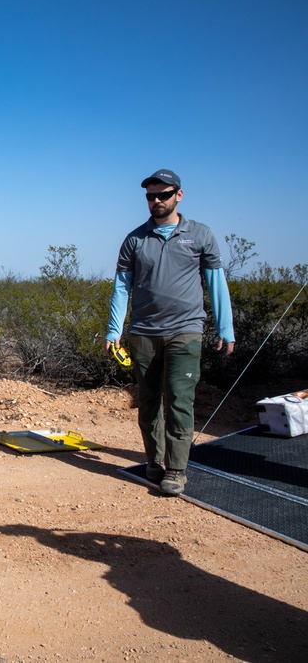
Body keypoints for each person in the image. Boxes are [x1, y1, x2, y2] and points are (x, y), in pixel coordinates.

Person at [104, 169, 235, 496]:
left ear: (179, 195)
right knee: (148, 404)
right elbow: (122, 287)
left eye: (163, 194)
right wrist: (114, 329)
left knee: (179, 401)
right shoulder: (135, 240)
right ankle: (155, 463)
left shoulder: (200, 235)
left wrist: (225, 327)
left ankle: (176, 471)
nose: (157, 201)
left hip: (185, 331)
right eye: (151, 196)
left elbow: (215, 282)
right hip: (144, 333)